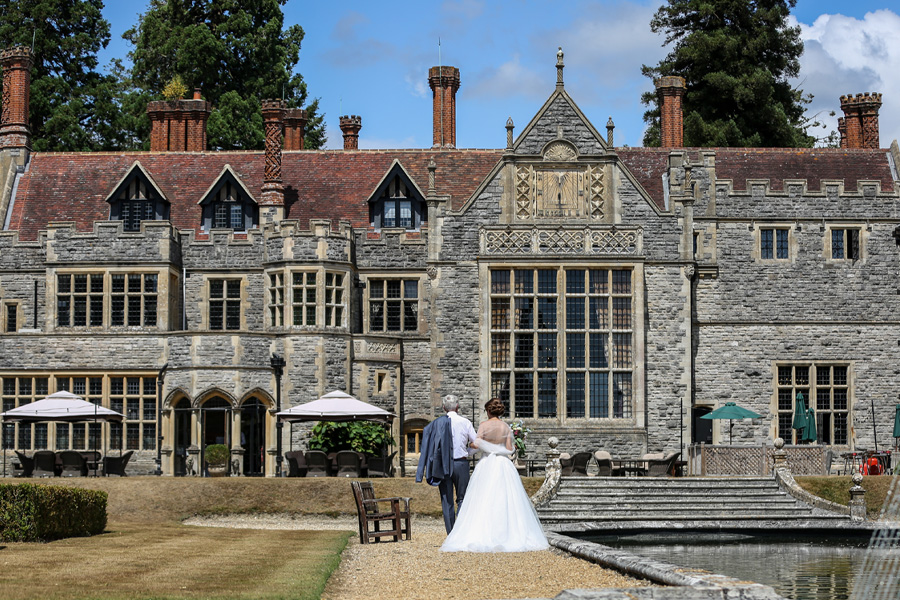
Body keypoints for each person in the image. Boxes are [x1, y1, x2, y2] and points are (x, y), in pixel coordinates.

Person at [441, 398, 549, 553]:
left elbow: (477, 445)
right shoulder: (505, 427)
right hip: (503, 464)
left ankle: (483, 532)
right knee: (505, 498)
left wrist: (469, 448)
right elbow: (510, 448)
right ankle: (507, 533)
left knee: (483, 497)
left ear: (488, 411)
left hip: (487, 464)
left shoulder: (484, 425)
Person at [415, 394, 477, 533]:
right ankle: (460, 532)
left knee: (446, 499)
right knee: (462, 499)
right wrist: (467, 452)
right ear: (458, 407)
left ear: (443, 407)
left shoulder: (436, 423)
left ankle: (451, 533)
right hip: (460, 463)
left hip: (443, 464)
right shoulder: (465, 422)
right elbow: (476, 444)